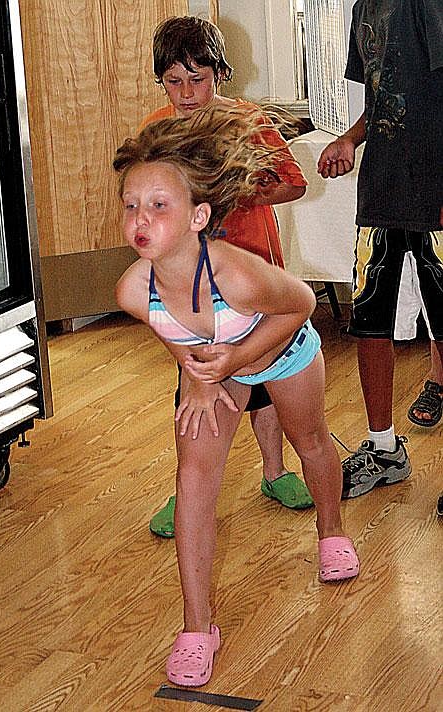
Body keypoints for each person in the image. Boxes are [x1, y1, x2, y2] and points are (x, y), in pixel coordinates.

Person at [114, 105, 360, 687]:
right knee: (193, 486)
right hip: (216, 365)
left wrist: (238, 359)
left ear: (200, 215)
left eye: (158, 205)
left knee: (311, 444)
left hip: (282, 350)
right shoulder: (132, 289)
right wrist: (198, 375)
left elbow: (300, 303)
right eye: (130, 205)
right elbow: (170, 329)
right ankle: (198, 626)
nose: (139, 219)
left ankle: (331, 531)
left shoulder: (237, 274)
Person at [141, 16, 313, 538]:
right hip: (188, 284)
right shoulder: (157, 131)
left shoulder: (248, 120)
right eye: (175, 81)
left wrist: (241, 196)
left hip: (255, 275)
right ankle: (188, 486)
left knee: (262, 377)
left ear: (221, 72)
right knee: (193, 380)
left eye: (199, 78)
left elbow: (295, 185)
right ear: (161, 81)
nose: (187, 93)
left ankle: (274, 470)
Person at [317, 0, 443, 499]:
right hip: (382, 193)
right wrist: (349, 139)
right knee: (369, 321)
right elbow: (384, 99)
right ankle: (383, 447)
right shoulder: (363, 8)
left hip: (434, 195)